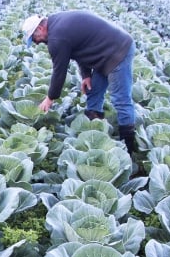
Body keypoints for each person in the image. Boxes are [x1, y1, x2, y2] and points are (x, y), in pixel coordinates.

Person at [21, 11, 137, 154]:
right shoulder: (56, 23)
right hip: (105, 51)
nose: (37, 42)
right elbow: (81, 47)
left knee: (121, 99)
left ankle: (129, 148)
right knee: (93, 92)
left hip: (118, 50)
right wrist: (86, 75)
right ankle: (94, 132)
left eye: (34, 38)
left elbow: (59, 71)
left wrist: (50, 98)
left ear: (40, 29)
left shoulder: (56, 37)